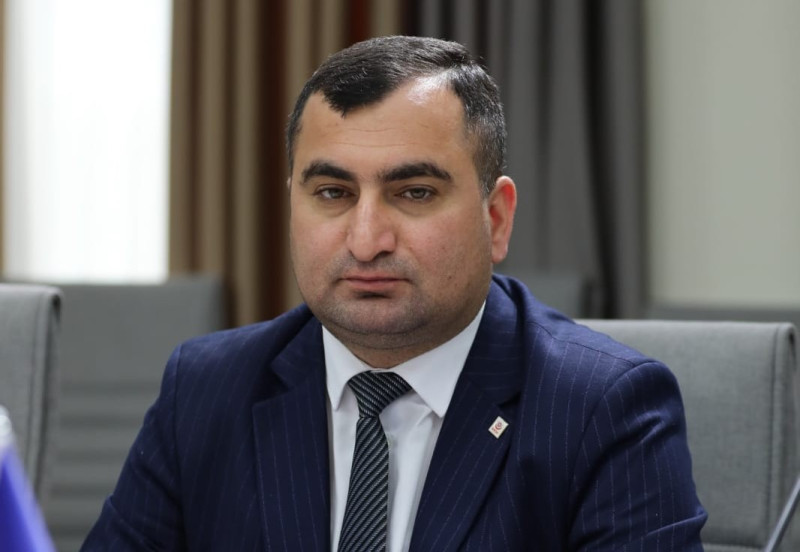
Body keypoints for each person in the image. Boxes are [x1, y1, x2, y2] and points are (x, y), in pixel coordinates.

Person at [82, 35, 706, 551]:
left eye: (414, 193)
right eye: (333, 193)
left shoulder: (602, 411)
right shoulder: (206, 389)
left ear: (495, 219)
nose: (366, 240)